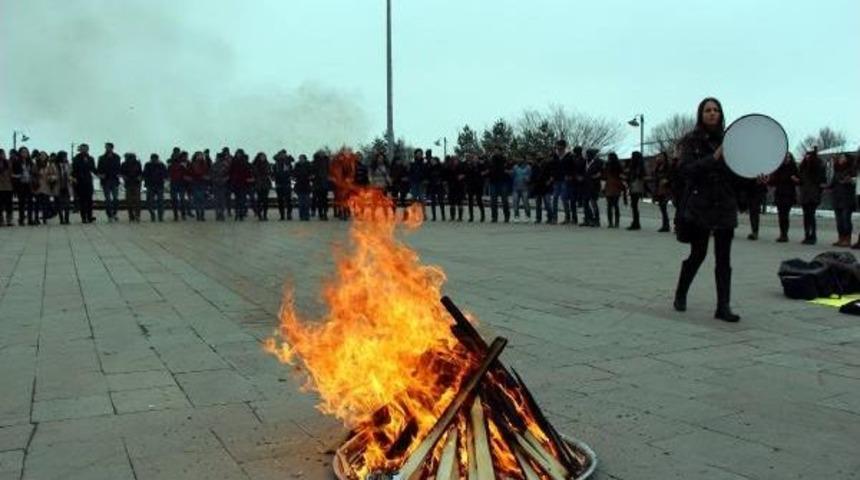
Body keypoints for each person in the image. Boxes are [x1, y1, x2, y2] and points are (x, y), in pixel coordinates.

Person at [673, 97, 743, 322]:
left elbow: (738, 175)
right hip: (700, 205)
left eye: (716, 110)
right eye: (708, 110)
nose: (712, 114)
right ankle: (681, 293)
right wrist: (713, 157)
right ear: (700, 115)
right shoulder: (691, 141)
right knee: (698, 254)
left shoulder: (730, 140)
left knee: (724, 258)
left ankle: (723, 306)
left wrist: (757, 178)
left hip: (724, 204)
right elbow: (686, 171)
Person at [797, 150, 826, 245]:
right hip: (805, 194)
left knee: (811, 215)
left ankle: (812, 236)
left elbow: (821, 181)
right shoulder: (803, 167)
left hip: (813, 195)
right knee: (806, 216)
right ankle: (807, 235)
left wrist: (818, 191)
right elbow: (800, 181)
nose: (807, 158)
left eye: (809, 156)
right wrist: (797, 180)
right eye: (806, 156)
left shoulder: (818, 168)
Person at [769, 153, 799, 242]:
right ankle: (782, 233)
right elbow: (774, 181)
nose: (786, 159)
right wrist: (768, 181)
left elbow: (799, 181)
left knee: (785, 215)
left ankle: (785, 234)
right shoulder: (779, 168)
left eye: (788, 157)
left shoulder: (793, 168)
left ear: (791, 159)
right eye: (785, 157)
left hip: (789, 195)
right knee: (780, 215)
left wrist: (795, 180)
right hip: (779, 194)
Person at [828, 153, 855, 247]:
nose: (840, 159)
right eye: (840, 157)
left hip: (847, 199)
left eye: (843, 157)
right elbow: (832, 183)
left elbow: (853, 181)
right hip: (837, 198)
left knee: (846, 220)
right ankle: (841, 238)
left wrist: (849, 181)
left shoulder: (851, 170)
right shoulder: (837, 170)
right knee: (839, 221)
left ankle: (847, 239)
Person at [71, 144, 97, 223]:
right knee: (82, 200)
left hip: (88, 181)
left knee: (89, 200)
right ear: (80, 149)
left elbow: (93, 169)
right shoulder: (76, 158)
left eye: (85, 149)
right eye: (82, 149)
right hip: (79, 181)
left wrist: (99, 174)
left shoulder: (90, 158)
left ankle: (89, 216)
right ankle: (83, 217)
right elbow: (74, 170)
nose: (84, 150)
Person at [97, 142, 122, 222]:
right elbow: (99, 168)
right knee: (107, 199)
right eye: (106, 147)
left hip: (114, 180)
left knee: (115, 198)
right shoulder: (102, 158)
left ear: (112, 148)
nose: (106, 149)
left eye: (108, 147)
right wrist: (100, 175)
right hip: (106, 180)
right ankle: (109, 215)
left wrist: (119, 174)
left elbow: (119, 168)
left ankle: (114, 213)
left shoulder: (117, 157)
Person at [11, 147, 35, 225]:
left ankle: (30, 219)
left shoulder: (30, 162)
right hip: (21, 184)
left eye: (26, 152)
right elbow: (12, 174)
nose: (24, 153)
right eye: (23, 152)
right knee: (21, 203)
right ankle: (21, 220)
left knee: (30, 202)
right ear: (20, 153)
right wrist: (18, 176)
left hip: (29, 184)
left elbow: (33, 172)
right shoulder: (17, 162)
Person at [548, 140, 570, 224]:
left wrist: (569, 175)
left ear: (563, 147)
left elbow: (571, 167)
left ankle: (567, 217)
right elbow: (552, 167)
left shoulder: (568, 156)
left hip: (564, 179)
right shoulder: (555, 156)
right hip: (556, 179)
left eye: (560, 147)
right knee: (555, 198)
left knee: (564, 198)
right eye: (557, 147)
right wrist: (552, 176)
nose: (558, 148)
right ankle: (554, 218)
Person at [488, 148, 511, 223]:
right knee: (493, 201)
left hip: (503, 181)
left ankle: (507, 216)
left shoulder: (504, 159)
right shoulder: (491, 159)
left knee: (504, 200)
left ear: (501, 151)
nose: (496, 152)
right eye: (495, 150)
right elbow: (489, 169)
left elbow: (508, 169)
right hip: (493, 182)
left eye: (497, 150)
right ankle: (494, 217)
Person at [143, 153, 168, 222]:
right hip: (151, 186)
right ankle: (153, 214)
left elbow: (166, 174)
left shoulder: (161, 165)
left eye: (155, 159)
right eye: (153, 159)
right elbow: (144, 174)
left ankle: (160, 216)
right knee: (150, 202)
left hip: (159, 185)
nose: (154, 160)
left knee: (160, 202)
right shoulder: (148, 165)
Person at [625, 151, 646, 230]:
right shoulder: (640, 166)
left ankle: (636, 223)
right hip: (636, 186)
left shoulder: (636, 167)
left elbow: (635, 176)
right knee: (634, 205)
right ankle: (636, 222)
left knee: (634, 205)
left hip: (635, 186)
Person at [230, 149, 253, 221]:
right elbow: (231, 172)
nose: (238, 155)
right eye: (237, 154)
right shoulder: (234, 162)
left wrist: (249, 179)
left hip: (243, 183)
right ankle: (237, 213)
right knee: (238, 200)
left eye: (239, 154)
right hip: (236, 183)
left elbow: (248, 172)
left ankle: (241, 214)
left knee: (242, 200)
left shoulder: (244, 163)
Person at [653, 152, 673, 232]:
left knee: (663, 206)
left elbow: (670, 176)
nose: (659, 158)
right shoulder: (658, 166)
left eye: (661, 157)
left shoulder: (668, 166)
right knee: (662, 208)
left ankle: (666, 225)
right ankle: (665, 225)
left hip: (665, 188)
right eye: (658, 157)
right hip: (659, 188)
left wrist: (667, 180)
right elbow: (655, 176)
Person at [582, 148, 603, 227]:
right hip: (586, 185)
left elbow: (601, 171)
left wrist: (597, 175)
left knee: (593, 203)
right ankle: (588, 219)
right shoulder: (585, 162)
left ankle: (596, 220)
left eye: (588, 154)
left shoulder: (598, 162)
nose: (587, 156)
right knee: (585, 203)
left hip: (594, 186)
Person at [121, 153, 143, 222]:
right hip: (130, 183)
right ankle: (134, 215)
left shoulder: (136, 163)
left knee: (134, 201)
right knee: (132, 201)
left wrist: (139, 177)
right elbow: (122, 173)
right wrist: (124, 177)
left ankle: (135, 215)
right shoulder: (124, 164)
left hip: (135, 183)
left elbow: (140, 173)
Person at [603, 153, 623, 228]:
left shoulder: (607, 165)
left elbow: (604, 175)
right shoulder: (618, 165)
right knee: (615, 205)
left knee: (609, 205)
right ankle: (616, 222)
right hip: (616, 185)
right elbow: (621, 174)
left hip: (609, 185)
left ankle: (610, 222)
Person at [210, 150, 231, 221]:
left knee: (218, 200)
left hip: (218, 184)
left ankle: (219, 214)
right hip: (220, 184)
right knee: (221, 200)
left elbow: (212, 175)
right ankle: (220, 214)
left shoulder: (215, 165)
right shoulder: (225, 165)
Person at [465, 153, 486, 223]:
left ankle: (482, 216)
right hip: (470, 185)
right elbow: (467, 174)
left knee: (479, 200)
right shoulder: (469, 166)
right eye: (474, 158)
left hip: (478, 185)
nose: (475, 160)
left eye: (476, 158)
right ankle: (471, 217)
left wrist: (482, 163)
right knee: (470, 201)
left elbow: (485, 170)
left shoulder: (481, 165)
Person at [273, 150, 294, 221]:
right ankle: (282, 215)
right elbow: (273, 174)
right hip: (279, 184)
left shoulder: (288, 163)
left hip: (287, 183)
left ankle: (289, 214)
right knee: (280, 200)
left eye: (284, 154)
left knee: (288, 200)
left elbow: (291, 172)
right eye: (281, 155)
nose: (283, 156)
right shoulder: (276, 164)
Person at [168, 151, 188, 221]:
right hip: (178, 184)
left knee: (177, 201)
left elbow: (168, 176)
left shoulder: (172, 167)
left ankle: (178, 215)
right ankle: (180, 215)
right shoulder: (180, 167)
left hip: (177, 184)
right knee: (179, 200)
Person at [53, 151, 72, 225]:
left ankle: (67, 219)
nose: (65, 158)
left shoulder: (68, 165)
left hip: (67, 186)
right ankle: (61, 219)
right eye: (64, 156)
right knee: (60, 204)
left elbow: (71, 173)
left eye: (66, 156)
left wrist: (71, 178)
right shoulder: (55, 165)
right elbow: (51, 174)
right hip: (58, 186)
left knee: (67, 204)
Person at [444, 155, 466, 221]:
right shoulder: (449, 167)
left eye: (456, 159)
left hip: (460, 186)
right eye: (453, 160)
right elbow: (446, 177)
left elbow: (466, 174)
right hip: (451, 186)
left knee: (460, 202)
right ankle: (452, 217)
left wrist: (463, 176)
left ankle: (460, 217)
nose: (455, 161)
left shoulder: (462, 166)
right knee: (451, 202)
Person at [190, 151, 210, 221]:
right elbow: (191, 173)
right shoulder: (193, 164)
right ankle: (199, 214)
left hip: (202, 183)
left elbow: (207, 173)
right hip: (196, 183)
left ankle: (201, 214)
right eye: (198, 155)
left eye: (201, 155)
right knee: (197, 200)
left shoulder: (204, 164)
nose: (200, 157)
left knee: (201, 200)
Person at [511, 156, 532, 222]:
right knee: (515, 202)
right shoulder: (515, 167)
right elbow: (512, 176)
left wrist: (527, 179)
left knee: (526, 202)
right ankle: (516, 216)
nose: (519, 160)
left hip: (525, 188)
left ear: (524, 160)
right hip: (515, 188)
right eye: (518, 158)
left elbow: (530, 177)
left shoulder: (528, 167)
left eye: (521, 159)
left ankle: (527, 216)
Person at [34, 152, 53, 224]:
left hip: (46, 186)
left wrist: (51, 177)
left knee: (45, 203)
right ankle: (36, 218)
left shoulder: (49, 165)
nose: (42, 157)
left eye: (44, 156)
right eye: (41, 156)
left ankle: (45, 218)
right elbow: (33, 174)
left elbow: (52, 174)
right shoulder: (36, 165)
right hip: (38, 186)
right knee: (37, 204)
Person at [293, 154, 313, 221]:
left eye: (302, 158)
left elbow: (311, 174)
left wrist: (310, 177)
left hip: (306, 185)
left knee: (307, 202)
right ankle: (301, 216)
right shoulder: (297, 165)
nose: (301, 159)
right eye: (300, 158)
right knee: (301, 203)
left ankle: (306, 216)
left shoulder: (308, 165)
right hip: (299, 186)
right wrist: (295, 177)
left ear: (305, 159)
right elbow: (294, 174)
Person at [312, 151, 330, 220]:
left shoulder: (327, 161)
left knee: (324, 199)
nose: (322, 154)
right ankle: (321, 214)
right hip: (318, 183)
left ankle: (325, 213)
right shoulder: (315, 162)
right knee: (319, 200)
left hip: (324, 182)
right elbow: (312, 171)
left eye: (323, 153)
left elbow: (329, 170)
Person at [427, 156, 446, 221]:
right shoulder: (430, 168)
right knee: (433, 202)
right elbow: (428, 177)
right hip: (432, 186)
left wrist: (440, 181)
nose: (432, 162)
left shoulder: (441, 167)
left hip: (439, 186)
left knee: (441, 201)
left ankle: (443, 216)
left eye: (433, 161)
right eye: (431, 161)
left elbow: (443, 176)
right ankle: (434, 216)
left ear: (437, 161)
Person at [0, 149, 13, 226]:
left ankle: (9, 220)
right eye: (1, 154)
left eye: (3, 154)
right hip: (0, 187)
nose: (2, 155)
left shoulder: (8, 162)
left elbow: (11, 172)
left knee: (9, 204)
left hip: (8, 187)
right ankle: (1, 220)